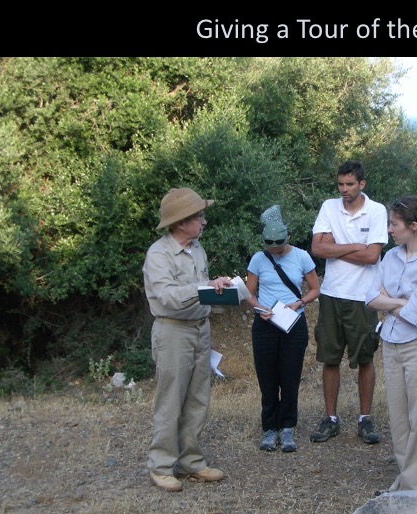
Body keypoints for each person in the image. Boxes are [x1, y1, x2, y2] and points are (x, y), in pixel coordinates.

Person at [143, 187, 232, 492]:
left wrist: (223, 292)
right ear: (181, 222)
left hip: (199, 329)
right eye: (199, 216)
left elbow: (200, 292)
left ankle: (191, 462)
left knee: (198, 397)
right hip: (172, 331)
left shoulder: (197, 249)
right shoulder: (158, 254)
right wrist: (204, 287)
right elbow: (167, 297)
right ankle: (161, 466)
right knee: (170, 399)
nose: (204, 221)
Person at [365, 195, 417, 492]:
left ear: (413, 226)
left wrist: (390, 302)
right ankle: (406, 480)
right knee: (399, 419)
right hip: (391, 343)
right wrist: (401, 301)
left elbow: (416, 314)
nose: (389, 229)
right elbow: (370, 297)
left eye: (394, 223)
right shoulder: (390, 257)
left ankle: (416, 489)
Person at [309, 160, 388, 444]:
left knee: (365, 357)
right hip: (332, 292)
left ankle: (365, 418)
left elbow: (372, 257)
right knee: (330, 357)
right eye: (340, 184)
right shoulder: (329, 207)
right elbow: (317, 248)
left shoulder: (377, 211)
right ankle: (330, 418)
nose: (344, 190)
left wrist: (335, 249)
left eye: (350, 184)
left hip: (364, 296)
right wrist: (355, 245)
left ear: (362, 184)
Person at [244, 205, 321, 454]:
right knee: (267, 378)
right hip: (265, 324)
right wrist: (259, 309)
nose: (275, 252)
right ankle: (269, 428)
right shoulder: (258, 259)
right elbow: (249, 293)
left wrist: (299, 303)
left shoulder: (301, 256)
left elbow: (314, 289)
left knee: (290, 377)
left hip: (292, 322)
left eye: (279, 247)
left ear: (287, 238)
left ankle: (287, 427)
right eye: (270, 248)